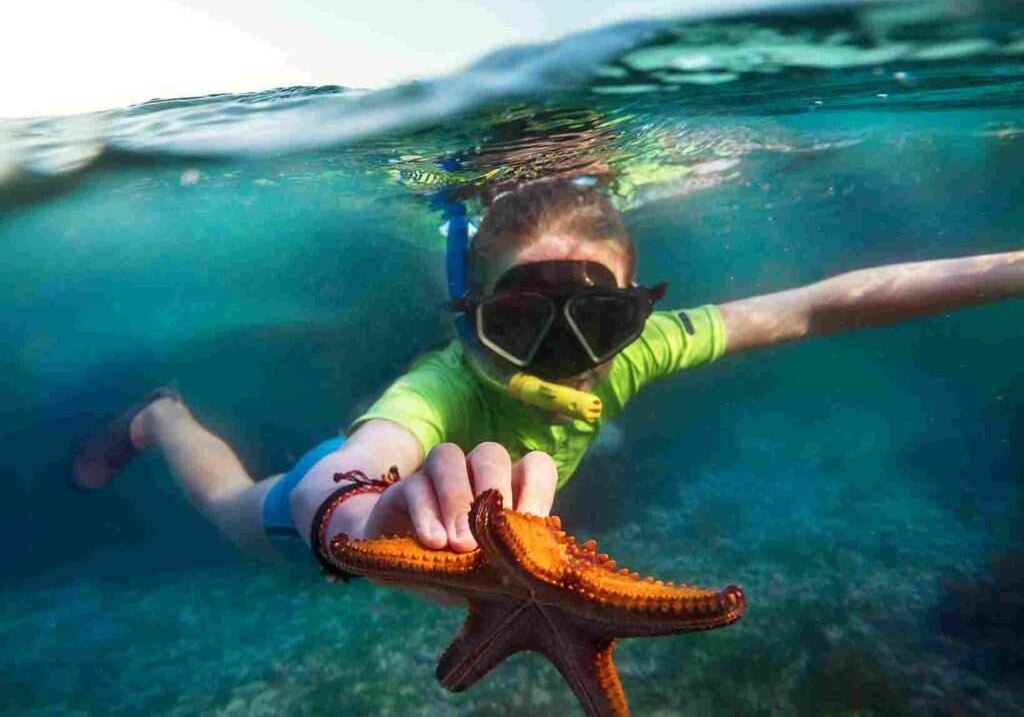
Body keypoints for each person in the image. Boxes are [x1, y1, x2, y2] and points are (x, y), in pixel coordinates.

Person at [69, 178, 1024, 572]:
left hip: (464, 519)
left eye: (601, 319)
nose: (567, 352)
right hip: (356, 513)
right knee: (233, 507)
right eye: (520, 322)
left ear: (635, 312)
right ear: (473, 315)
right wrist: (362, 516)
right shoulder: (442, 381)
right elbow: (368, 452)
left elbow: (826, 301)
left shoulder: (646, 347)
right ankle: (159, 414)